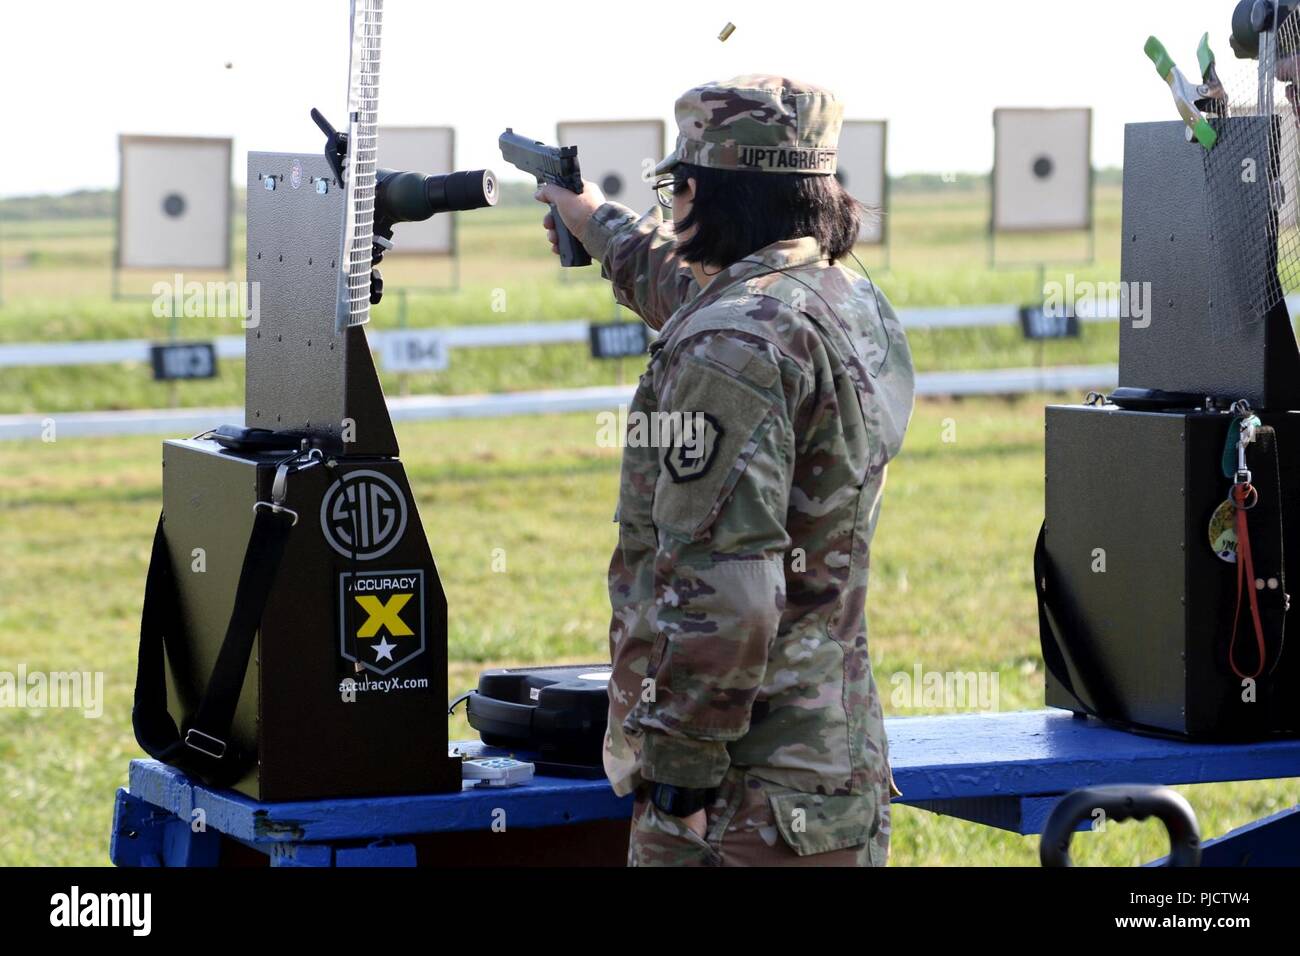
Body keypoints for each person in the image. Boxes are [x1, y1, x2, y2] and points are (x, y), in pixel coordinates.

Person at [536, 75, 915, 866]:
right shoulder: (841, 298)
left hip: (741, 800)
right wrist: (593, 221)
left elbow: (728, 600)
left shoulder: (731, 347)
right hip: (827, 774)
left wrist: (679, 785)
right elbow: (695, 286)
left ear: (704, 190)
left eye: (678, 185)